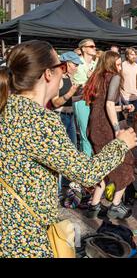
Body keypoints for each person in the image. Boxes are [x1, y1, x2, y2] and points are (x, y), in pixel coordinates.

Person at [0, 40, 137, 258]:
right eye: (61, 67)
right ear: (47, 74)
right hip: (23, 235)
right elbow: (85, 173)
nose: (64, 73)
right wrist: (121, 144)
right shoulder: (39, 120)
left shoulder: (8, 107)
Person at [82, 51, 136, 219]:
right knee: (126, 163)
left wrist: (123, 108)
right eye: (118, 64)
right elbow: (109, 104)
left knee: (103, 165)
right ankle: (116, 205)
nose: (120, 68)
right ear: (111, 64)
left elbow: (102, 106)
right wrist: (116, 129)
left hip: (94, 127)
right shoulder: (114, 77)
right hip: (106, 129)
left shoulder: (96, 78)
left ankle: (94, 205)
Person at [51, 51, 83, 200]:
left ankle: (65, 183)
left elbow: (70, 100)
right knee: (60, 153)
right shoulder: (57, 79)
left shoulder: (69, 77)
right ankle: (56, 192)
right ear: (66, 63)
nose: (76, 68)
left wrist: (83, 96)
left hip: (70, 117)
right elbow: (55, 102)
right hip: (60, 117)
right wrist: (71, 93)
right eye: (75, 65)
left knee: (71, 151)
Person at [72, 39, 98, 156]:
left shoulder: (96, 64)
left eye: (94, 46)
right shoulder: (76, 63)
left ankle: (93, 157)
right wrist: (88, 81)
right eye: (91, 46)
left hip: (95, 100)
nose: (94, 48)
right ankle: (86, 159)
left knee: (94, 131)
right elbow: (71, 82)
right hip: (81, 99)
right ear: (83, 49)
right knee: (85, 132)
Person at [121, 48, 137, 136]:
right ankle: (124, 137)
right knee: (124, 119)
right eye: (132, 54)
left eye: (135, 55)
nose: (134, 56)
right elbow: (119, 80)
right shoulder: (122, 65)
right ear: (127, 55)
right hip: (124, 95)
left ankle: (135, 136)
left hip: (136, 96)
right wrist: (120, 91)